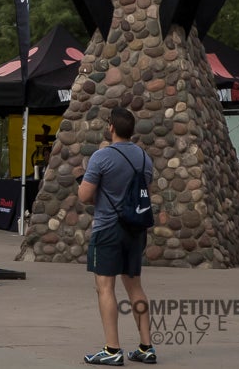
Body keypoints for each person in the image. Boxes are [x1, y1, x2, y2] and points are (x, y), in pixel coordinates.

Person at [78, 107, 156, 366]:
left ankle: (112, 349)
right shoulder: (145, 158)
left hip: (107, 229)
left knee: (105, 287)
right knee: (135, 287)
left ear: (111, 127)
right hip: (135, 229)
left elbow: (84, 196)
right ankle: (146, 346)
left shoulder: (102, 157)